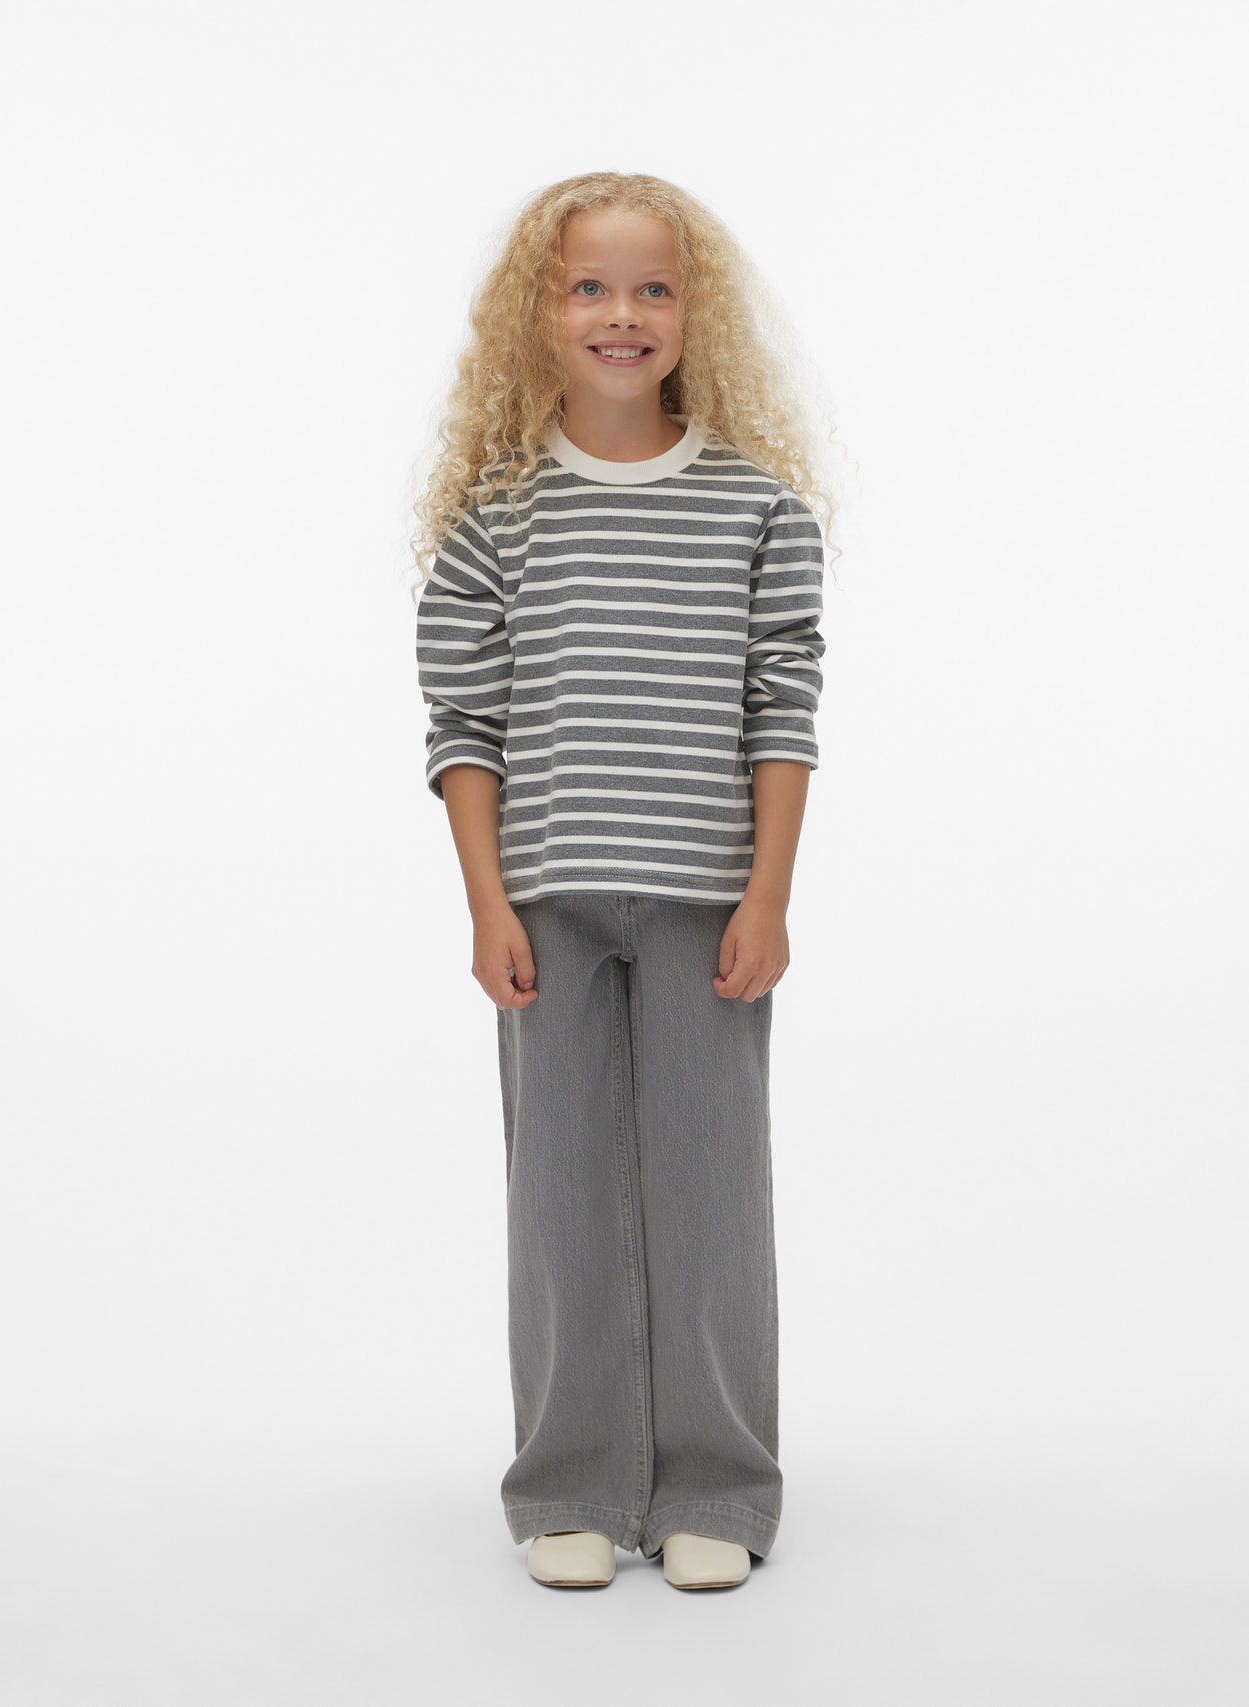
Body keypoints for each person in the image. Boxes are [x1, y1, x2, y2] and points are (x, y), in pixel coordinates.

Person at [411, 172, 835, 1590]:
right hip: (549, 904)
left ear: (695, 312)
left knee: (713, 1194)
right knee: (561, 1202)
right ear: (536, 313)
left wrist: (769, 894)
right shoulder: (498, 518)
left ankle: (720, 1485)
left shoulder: (756, 509)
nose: (622, 313)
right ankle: (571, 1484)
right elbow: (463, 727)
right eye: (588, 285)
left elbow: (783, 711)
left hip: (709, 906)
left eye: (654, 286)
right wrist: (487, 905)